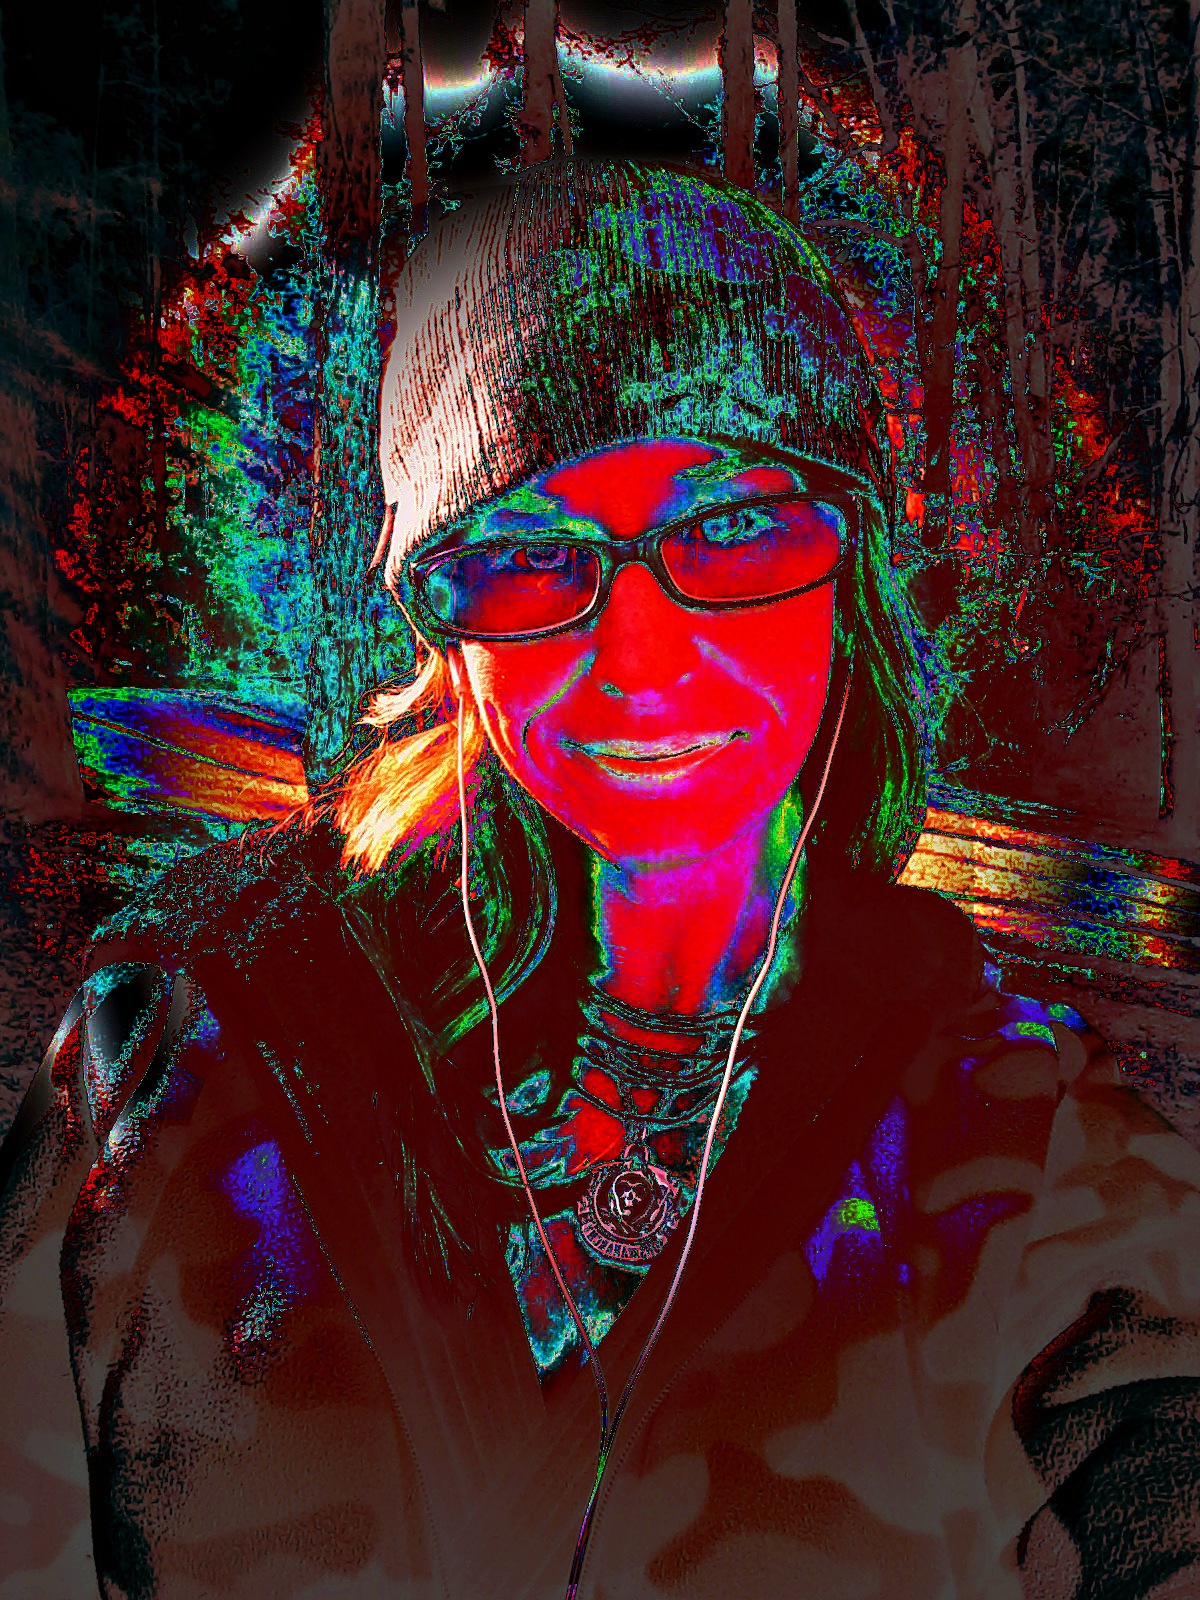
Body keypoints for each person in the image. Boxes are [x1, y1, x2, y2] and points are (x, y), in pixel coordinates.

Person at [2, 158, 1199, 1600]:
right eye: (526, 556)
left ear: (851, 564)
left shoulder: (1018, 1124)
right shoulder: (195, 1036)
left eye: (730, 527)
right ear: (435, 620)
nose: (638, 659)